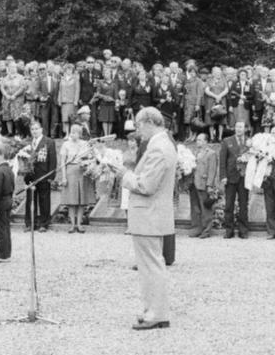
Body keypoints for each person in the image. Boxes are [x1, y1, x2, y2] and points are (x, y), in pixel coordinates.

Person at [108, 107, 177, 330]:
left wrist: (124, 175)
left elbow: (146, 185)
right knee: (150, 266)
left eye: (138, 125)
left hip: (149, 214)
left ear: (149, 122)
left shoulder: (158, 148)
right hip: (150, 214)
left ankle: (156, 314)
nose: (138, 131)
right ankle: (153, 310)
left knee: (151, 266)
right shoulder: (161, 144)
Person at [60, 123, 96, 233]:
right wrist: (64, 177)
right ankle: (72, 224)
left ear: (80, 134)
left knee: (81, 200)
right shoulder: (66, 144)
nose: (72, 135)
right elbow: (62, 162)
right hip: (70, 171)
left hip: (82, 172)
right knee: (71, 200)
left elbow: (91, 157)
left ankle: (79, 224)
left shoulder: (85, 144)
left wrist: (88, 165)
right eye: (71, 132)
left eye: (75, 132)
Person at [24, 119, 57, 232]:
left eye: (36, 129)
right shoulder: (28, 142)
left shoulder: (49, 142)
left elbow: (53, 160)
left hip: (44, 175)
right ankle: (30, 223)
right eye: (32, 129)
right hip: (30, 176)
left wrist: (51, 176)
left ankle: (44, 223)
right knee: (30, 200)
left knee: (44, 200)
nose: (34, 131)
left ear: (41, 129)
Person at [219, 121, 250, 238]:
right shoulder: (227, 141)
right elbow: (222, 161)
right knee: (229, 205)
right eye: (237, 127)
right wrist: (223, 176)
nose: (239, 129)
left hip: (244, 177)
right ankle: (229, 230)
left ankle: (243, 230)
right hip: (230, 177)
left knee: (243, 205)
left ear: (245, 129)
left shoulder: (250, 142)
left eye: (241, 127)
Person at [188, 132, 218, 239]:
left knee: (206, 209)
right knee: (195, 208)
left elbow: (212, 170)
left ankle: (206, 230)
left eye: (200, 140)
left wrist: (209, 185)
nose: (198, 142)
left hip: (203, 184)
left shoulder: (211, 153)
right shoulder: (195, 152)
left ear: (206, 141)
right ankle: (196, 229)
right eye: (197, 140)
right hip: (193, 183)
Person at [0, 62, 26, 137]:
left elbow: (22, 88)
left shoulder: (21, 77)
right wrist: (6, 95)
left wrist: (15, 95)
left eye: (14, 67)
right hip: (7, 99)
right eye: (11, 67)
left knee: (17, 116)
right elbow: (2, 87)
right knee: (8, 116)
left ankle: (18, 132)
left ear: (16, 68)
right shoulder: (5, 78)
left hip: (17, 100)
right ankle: (10, 132)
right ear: (8, 68)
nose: (13, 69)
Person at [96, 68, 118, 137]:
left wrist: (116, 102)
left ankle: (109, 135)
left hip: (112, 104)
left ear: (111, 74)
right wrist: (105, 97)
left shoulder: (114, 83)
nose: (106, 74)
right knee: (105, 120)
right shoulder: (101, 82)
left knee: (110, 120)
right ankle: (106, 135)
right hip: (104, 103)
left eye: (108, 73)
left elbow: (116, 94)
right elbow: (98, 94)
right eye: (105, 73)